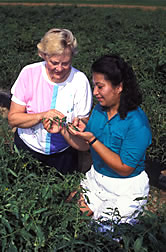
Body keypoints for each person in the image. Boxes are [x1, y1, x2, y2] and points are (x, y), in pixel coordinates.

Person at [43, 54, 152, 224]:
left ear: (119, 87)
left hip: (124, 188)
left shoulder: (137, 122)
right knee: (67, 217)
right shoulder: (100, 110)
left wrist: (93, 140)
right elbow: (85, 146)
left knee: (104, 237)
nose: (95, 93)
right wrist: (64, 130)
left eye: (100, 87)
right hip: (96, 179)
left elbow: (125, 168)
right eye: (94, 86)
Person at [8, 28, 92, 174]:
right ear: (44, 55)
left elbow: (84, 133)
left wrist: (64, 129)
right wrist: (42, 116)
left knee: (60, 194)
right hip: (27, 149)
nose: (59, 68)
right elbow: (13, 119)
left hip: (64, 154)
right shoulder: (29, 73)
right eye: (54, 62)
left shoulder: (80, 81)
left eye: (65, 63)